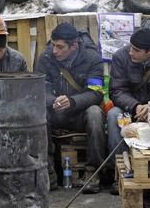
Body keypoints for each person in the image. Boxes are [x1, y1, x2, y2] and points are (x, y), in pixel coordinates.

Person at [35, 22, 105, 194]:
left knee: (96, 113)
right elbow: (39, 88)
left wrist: (72, 101)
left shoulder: (92, 58)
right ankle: (48, 172)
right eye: (53, 45)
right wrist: (53, 101)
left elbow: (96, 93)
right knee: (37, 115)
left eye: (60, 47)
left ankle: (93, 172)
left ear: (74, 46)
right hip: (55, 112)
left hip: (80, 113)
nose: (55, 51)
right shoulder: (45, 57)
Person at [107, 27, 150, 195]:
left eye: (136, 50)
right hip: (130, 109)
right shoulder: (121, 57)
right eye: (130, 47)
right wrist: (136, 106)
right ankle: (122, 172)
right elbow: (117, 91)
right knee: (113, 115)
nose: (131, 52)